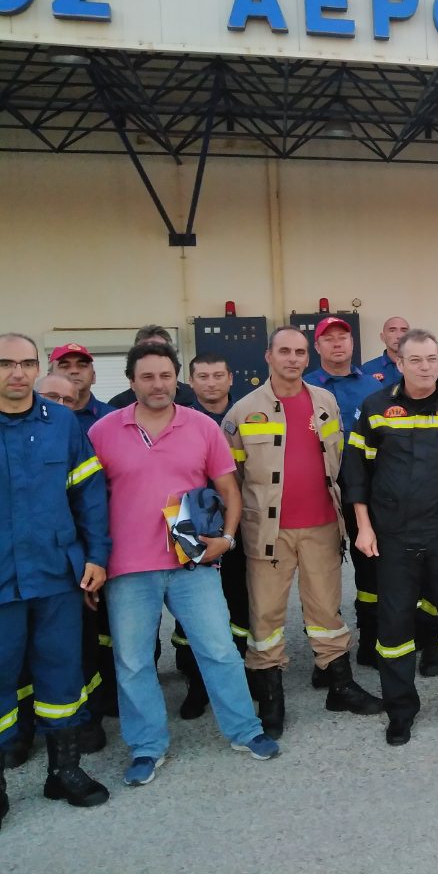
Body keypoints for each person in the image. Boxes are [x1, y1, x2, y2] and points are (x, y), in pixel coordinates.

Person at [89, 341, 279, 786]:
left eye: (165, 375)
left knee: (219, 650)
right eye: (147, 377)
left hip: (191, 562)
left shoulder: (201, 427)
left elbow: (229, 489)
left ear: (177, 379)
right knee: (133, 662)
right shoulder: (102, 431)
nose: (158, 384)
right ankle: (146, 746)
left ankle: (245, 730)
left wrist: (226, 539)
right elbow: (88, 502)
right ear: (132, 381)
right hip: (128, 568)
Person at [222, 327, 381, 738]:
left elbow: (337, 459)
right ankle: (270, 698)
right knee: (266, 615)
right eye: (284, 351)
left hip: (322, 524)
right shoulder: (243, 411)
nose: (292, 359)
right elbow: (230, 479)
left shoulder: (325, 401)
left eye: (299, 352)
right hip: (268, 531)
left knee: (327, 611)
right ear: (268, 356)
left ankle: (339, 684)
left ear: (307, 358)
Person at [344, 330, 438, 745]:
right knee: (394, 624)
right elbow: (356, 471)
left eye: (431, 359)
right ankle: (400, 711)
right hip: (394, 533)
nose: (425, 367)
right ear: (399, 363)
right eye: (416, 360)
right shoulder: (376, 407)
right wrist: (364, 526)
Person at [1, 333, 111, 823]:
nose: (17, 373)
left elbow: (88, 494)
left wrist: (97, 556)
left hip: (56, 575)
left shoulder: (62, 422)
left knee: (62, 672)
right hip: (2, 578)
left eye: (26, 363)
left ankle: (64, 771)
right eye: (5, 363)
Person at [173, 353, 251, 719]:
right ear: (190, 381)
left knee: (239, 600)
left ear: (230, 378)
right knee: (189, 609)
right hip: (194, 526)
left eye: (218, 375)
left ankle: (241, 673)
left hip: (241, 523)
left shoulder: (247, 416)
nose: (211, 382)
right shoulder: (179, 419)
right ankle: (196, 682)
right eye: (202, 376)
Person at [303, 316, 384, 666]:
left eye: (343, 337)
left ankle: (370, 640)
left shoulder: (373, 387)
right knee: (322, 571)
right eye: (329, 338)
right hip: (322, 491)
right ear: (317, 346)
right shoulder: (304, 388)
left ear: (352, 344)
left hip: (367, 490)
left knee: (371, 566)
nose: (337, 343)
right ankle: (327, 655)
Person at [47, 347, 117, 744]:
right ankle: (23, 729)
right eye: (65, 366)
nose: (74, 373)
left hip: (88, 544)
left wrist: (97, 552)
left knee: (93, 634)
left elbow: (97, 495)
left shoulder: (109, 419)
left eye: (81, 366)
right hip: (37, 554)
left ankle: (98, 706)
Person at [107, 326, 198, 409]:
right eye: (145, 350)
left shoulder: (194, 396)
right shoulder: (117, 405)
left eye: (161, 349)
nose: (153, 354)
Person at [48, 344, 113, 436]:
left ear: (93, 377)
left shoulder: (113, 418)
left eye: (82, 365)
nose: (74, 371)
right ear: (49, 378)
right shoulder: (36, 417)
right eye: (65, 366)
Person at [361, 315, 410, 386]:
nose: (399, 336)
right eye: (392, 330)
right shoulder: (367, 369)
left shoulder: (420, 366)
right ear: (382, 337)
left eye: (404, 331)